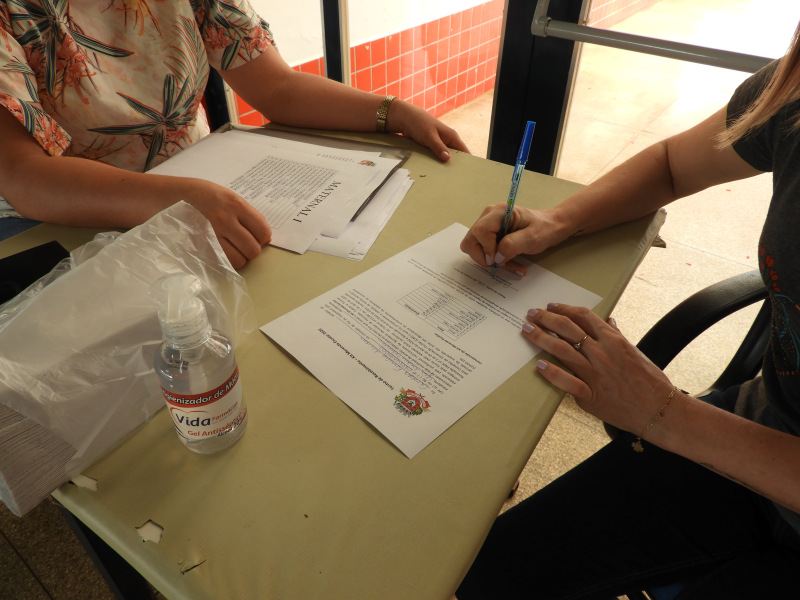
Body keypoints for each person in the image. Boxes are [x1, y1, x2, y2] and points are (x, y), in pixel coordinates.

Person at [456, 21, 800, 600]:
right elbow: (672, 164)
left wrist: (665, 413)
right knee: (482, 578)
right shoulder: (793, 89)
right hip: (759, 431)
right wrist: (558, 220)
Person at [0, 0, 468, 267]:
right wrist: (179, 198)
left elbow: (277, 87)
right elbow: (24, 175)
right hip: (58, 216)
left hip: (199, 182)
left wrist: (392, 112)